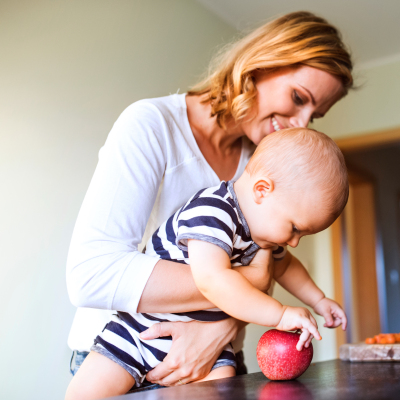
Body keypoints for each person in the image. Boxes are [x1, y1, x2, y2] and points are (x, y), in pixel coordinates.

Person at [65, 10, 353, 391]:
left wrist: (218, 331)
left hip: (217, 357)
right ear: (261, 64)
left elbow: (269, 273)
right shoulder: (152, 126)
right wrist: (250, 279)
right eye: (298, 98)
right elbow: (91, 275)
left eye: (313, 115)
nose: (300, 122)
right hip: (129, 347)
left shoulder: (266, 165)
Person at [66, 128, 349, 399]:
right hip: (142, 331)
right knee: (85, 394)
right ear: (262, 190)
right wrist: (281, 315)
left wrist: (319, 299)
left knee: (224, 384)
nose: (295, 241)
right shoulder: (213, 212)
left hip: (210, 348)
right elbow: (213, 280)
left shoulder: (262, 236)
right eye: (295, 228)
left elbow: (286, 267)